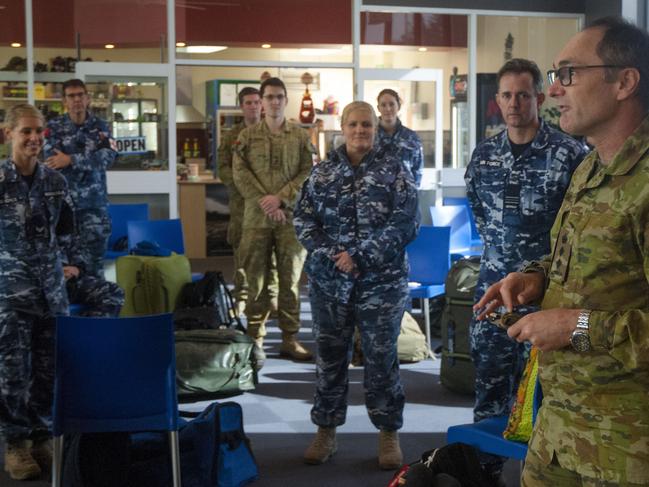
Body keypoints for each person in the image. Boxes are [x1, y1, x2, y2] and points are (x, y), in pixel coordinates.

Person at [475, 16, 649, 486]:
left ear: (624, 82)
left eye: (568, 74)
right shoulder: (590, 168)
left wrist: (577, 327)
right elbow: (572, 260)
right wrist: (535, 277)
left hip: (625, 455)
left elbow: (587, 323)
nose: (553, 92)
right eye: (554, 77)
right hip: (557, 436)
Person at [464, 58, 588, 480]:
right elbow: (478, 211)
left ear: (538, 98)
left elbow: (578, 223)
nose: (514, 103)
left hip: (548, 295)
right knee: (491, 390)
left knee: (547, 393)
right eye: (506, 95)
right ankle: (485, 471)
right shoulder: (484, 155)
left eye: (522, 94)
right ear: (496, 101)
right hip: (493, 293)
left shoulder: (570, 153)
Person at [294, 101, 418, 469]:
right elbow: (303, 220)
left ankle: (388, 434)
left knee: (382, 360)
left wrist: (360, 256)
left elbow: (407, 223)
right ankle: (326, 432)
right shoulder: (322, 173)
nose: (360, 130)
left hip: (382, 283)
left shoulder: (396, 169)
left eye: (366, 124)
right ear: (342, 128)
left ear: (375, 128)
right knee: (330, 359)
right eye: (353, 124)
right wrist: (336, 254)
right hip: (330, 283)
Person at [0, 104, 75, 480]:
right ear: (8, 134)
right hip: (9, 294)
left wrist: (63, 266)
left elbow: (64, 233)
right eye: (25, 132)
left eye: (38, 132)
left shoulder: (55, 182)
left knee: (48, 370)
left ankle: (42, 434)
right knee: (14, 372)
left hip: (50, 293)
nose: (33, 139)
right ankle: (15, 443)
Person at [232, 77, 313, 361]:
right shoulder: (246, 137)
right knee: (255, 280)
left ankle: (290, 338)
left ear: (285, 101)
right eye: (269, 97)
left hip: (290, 218)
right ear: (262, 101)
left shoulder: (300, 136)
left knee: (290, 281)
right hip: (256, 219)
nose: (274, 101)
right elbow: (240, 174)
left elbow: (307, 173)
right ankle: (255, 337)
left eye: (279, 97)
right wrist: (267, 203)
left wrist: (282, 198)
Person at [218, 87, 278, 334]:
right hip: (243, 206)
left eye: (256, 102)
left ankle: (271, 297)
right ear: (241, 106)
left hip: (268, 206)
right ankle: (242, 298)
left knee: (272, 253)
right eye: (248, 103)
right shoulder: (232, 135)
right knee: (243, 251)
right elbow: (223, 168)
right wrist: (243, 188)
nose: (253, 106)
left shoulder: (271, 132)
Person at [43, 78, 117, 279]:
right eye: (71, 96)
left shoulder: (101, 127)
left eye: (80, 95)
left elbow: (108, 157)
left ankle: (100, 308)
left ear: (87, 98)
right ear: (64, 101)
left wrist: (70, 159)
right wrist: (86, 160)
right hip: (63, 209)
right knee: (64, 269)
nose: (76, 100)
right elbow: (50, 160)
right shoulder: (54, 127)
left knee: (94, 268)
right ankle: (70, 310)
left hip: (94, 209)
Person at [375, 88, 424, 187]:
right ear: (378, 108)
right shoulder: (369, 136)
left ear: (399, 106)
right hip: (375, 198)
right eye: (383, 105)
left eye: (392, 104)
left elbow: (417, 170)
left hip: (405, 197)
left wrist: (413, 192)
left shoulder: (411, 137)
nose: (388, 109)